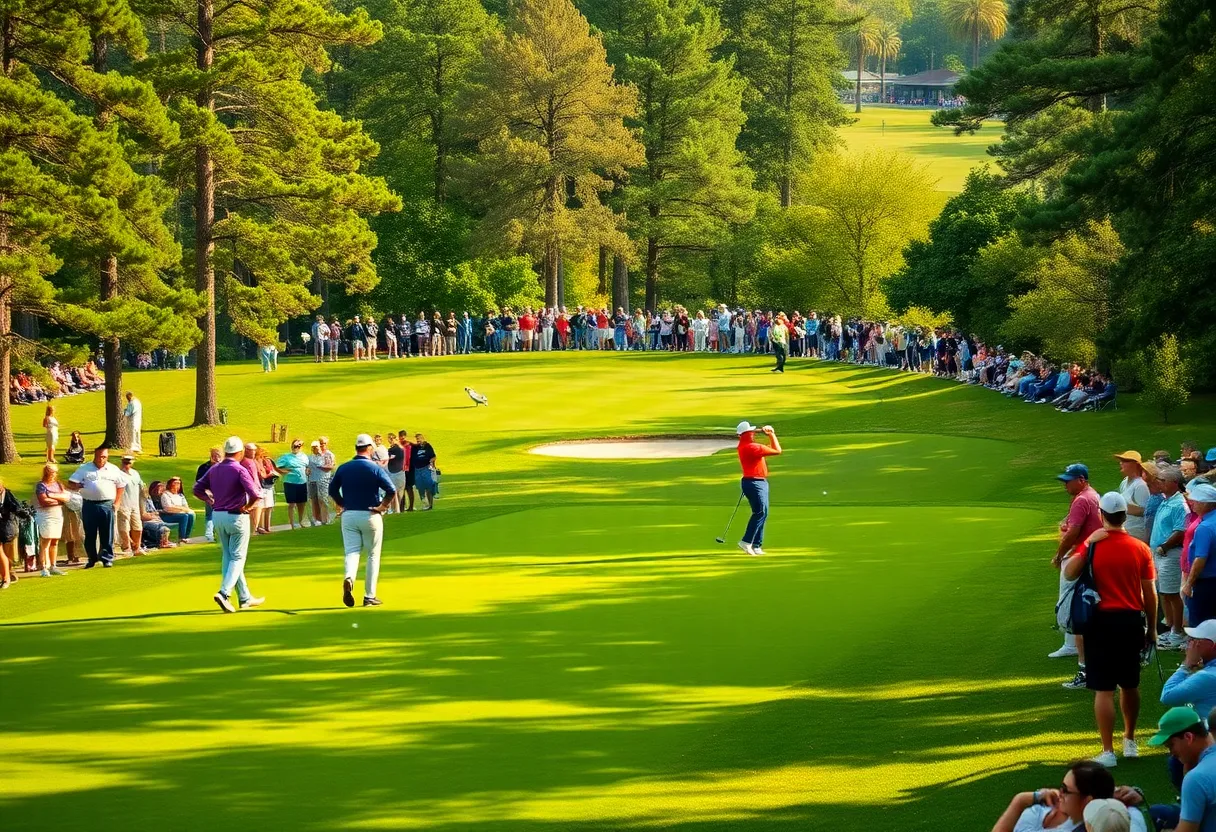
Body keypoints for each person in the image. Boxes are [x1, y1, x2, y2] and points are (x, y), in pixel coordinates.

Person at [1063, 491, 1156, 767]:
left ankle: (1108, 751)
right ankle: (1130, 740)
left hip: (1100, 621)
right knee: (1130, 684)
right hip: (1130, 621)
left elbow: (1069, 573)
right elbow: (1149, 593)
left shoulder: (1093, 545)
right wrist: (1152, 627)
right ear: (1125, 516)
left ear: (1102, 515)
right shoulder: (1140, 548)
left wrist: (1089, 542)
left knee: (1103, 689)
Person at [194, 436, 264, 612]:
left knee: (229, 556)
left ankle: (245, 597)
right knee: (238, 557)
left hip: (218, 515)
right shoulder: (239, 470)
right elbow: (255, 494)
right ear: (240, 452)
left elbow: (197, 489)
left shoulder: (214, 469)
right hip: (236, 516)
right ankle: (224, 593)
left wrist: (210, 500)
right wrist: (247, 507)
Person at [329, 433, 395, 608]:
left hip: (349, 515)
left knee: (352, 551)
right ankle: (369, 596)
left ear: (356, 448)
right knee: (373, 554)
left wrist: (343, 503)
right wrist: (382, 507)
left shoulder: (343, 468)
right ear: (370, 448)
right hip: (370, 514)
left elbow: (332, 490)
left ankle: (349, 577)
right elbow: (391, 490)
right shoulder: (374, 468)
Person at [1052, 463, 1103, 690]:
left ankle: (1081, 660)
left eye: (1068, 480)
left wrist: (1059, 555)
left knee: (1074, 607)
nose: (1065, 484)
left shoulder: (1083, 499)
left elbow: (1073, 531)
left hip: (1079, 558)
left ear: (1081, 479)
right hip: (1089, 556)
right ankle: (1072, 645)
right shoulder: (1091, 496)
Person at [991, 760, 1148, 832]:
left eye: (1065, 790)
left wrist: (1019, 803)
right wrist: (1021, 800)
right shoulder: (1040, 810)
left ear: (1088, 800)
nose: (1059, 793)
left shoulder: (1114, 822)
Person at [1145, 706, 1216, 832]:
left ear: (1189, 737)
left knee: (1154, 814)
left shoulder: (1196, 778)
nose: (1171, 753)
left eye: (1171, 745)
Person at [67, 445, 127, 568]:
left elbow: (121, 485)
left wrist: (117, 502)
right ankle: (91, 558)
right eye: (99, 457)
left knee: (107, 532)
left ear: (107, 457)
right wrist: (78, 486)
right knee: (90, 534)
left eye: (104, 457)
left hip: (107, 504)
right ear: (95, 456)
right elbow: (71, 482)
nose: (101, 459)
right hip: (89, 504)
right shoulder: (85, 468)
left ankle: (106, 558)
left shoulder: (113, 469)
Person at [1153, 467, 1190, 649]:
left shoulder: (1178, 505)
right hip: (1161, 554)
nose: (1158, 482)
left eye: (1162, 480)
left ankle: (1178, 633)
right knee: (1164, 593)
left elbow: (1180, 531)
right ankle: (1171, 628)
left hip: (1169, 553)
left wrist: (1164, 546)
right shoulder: (1165, 500)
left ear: (1174, 483)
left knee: (1172, 594)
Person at [735, 421, 782, 556]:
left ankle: (757, 545)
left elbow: (770, 448)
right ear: (748, 434)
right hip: (754, 483)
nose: (754, 433)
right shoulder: (751, 447)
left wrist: (767, 433)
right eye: (752, 432)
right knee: (760, 512)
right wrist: (771, 434)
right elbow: (777, 450)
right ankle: (746, 541)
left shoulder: (746, 445)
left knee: (763, 513)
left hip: (756, 482)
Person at [1161, 619, 1216, 720]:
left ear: (1213, 646)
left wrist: (1186, 665)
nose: (1191, 642)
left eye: (1197, 639)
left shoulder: (1207, 676)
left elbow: (1168, 696)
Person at [1183, 480, 1216, 625]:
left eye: (1195, 501)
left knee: (1200, 624)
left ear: (1205, 503)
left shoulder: (1205, 527)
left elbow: (1200, 559)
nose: (1192, 504)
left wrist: (1189, 584)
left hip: (1206, 585)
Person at [34, 464, 69, 577]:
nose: (54, 474)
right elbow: (44, 501)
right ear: (47, 473)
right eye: (52, 472)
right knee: (46, 541)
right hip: (46, 515)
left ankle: (53, 566)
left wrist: (53, 496)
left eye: (55, 472)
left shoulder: (58, 484)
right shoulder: (41, 485)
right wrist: (59, 499)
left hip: (57, 514)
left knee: (55, 541)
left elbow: (66, 498)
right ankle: (44, 567)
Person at [1115, 451, 1152, 544]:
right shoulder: (1124, 482)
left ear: (1135, 465)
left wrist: (1121, 507)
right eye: (1121, 460)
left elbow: (1146, 511)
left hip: (1137, 534)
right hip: (1126, 531)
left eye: (1125, 461)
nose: (1121, 463)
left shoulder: (1140, 485)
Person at [277, 439, 310, 529]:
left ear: (301, 447)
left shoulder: (304, 457)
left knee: (301, 503)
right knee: (292, 504)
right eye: (294, 446)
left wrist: (307, 471)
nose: (296, 448)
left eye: (298, 446)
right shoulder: (286, 457)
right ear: (291, 446)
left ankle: (300, 521)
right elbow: (276, 467)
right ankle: (292, 524)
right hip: (290, 482)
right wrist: (284, 471)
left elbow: (307, 467)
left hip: (302, 482)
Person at [116, 453, 144, 555]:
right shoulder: (118, 474)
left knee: (138, 527)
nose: (127, 463)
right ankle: (126, 548)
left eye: (129, 461)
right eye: (125, 461)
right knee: (124, 528)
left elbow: (141, 487)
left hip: (134, 505)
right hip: (123, 504)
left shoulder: (135, 473)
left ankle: (137, 548)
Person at [158, 476, 196, 542]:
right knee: (184, 516)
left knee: (191, 515)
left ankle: (187, 536)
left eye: (179, 483)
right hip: (167, 515)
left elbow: (186, 507)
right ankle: (182, 537)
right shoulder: (166, 495)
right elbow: (168, 507)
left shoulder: (180, 495)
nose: (177, 485)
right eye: (175, 483)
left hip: (179, 513)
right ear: (170, 484)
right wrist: (181, 509)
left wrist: (180, 508)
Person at [307, 439, 334, 526]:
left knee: (322, 499)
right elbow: (307, 467)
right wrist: (307, 470)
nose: (321, 446)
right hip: (312, 480)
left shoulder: (327, 455)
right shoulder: (310, 457)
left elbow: (331, 466)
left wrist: (321, 467)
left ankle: (325, 519)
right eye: (320, 444)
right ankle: (317, 519)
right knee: (314, 499)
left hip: (323, 479)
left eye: (323, 444)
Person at [196, 447, 221, 542]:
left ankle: (219, 534)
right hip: (209, 493)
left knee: (221, 514)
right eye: (214, 455)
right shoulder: (204, 467)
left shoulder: (226, 466)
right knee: (210, 515)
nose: (216, 457)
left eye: (218, 455)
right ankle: (209, 535)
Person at [253, 446, 279, 534]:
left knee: (269, 506)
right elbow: (260, 474)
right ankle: (259, 527)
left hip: (269, 485)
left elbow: (271, 470)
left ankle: (267, 527)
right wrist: (268, 475)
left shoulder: (267, 460)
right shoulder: (255, 461)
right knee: (262, 507)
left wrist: (273, 474)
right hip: (261, 486)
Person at [0, 478, 19, 587]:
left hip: (5, 527)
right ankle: (7, 575)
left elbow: (15, 508)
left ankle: (6, 577)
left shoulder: (6, 495)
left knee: (1, 552)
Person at [411, 433, 438, 510]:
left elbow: (433, 456)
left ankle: (430, 504)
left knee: (428, 486)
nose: (418, 441)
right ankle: (424, 504)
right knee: (420, 487)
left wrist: (431, 462)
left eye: (419, 439)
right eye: (417, 440)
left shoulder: (427, 446)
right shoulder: (415, 448)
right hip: (417, 469)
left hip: (426, 468)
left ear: (422, 438)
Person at [386, 432, 407, 512]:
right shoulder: (392, 449)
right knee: (395, 492)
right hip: (393, 472)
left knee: (398, 492)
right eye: (389, 438)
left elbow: (389, 457)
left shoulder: (396, 449)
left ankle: (398, 510)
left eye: (392, 438)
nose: (391, 440)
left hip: (398, 472)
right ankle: (396, 510)